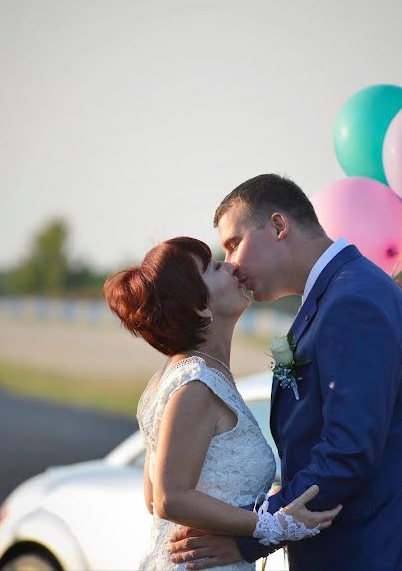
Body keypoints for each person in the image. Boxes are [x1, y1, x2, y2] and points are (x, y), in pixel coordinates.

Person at [169, 175, 402, 570]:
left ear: (279, 226)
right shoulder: (339, 294)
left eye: (234, 244)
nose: (231, 265)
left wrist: (256, 534)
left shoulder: (353, 302)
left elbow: (348, 451)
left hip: (381, 551)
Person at [104, 236, 341, 570]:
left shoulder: (178, 376)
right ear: (199, 305)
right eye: (214, 267)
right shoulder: (196, 384)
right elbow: (168, 498)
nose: (231, 266)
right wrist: (271, 525)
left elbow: (153, 494)